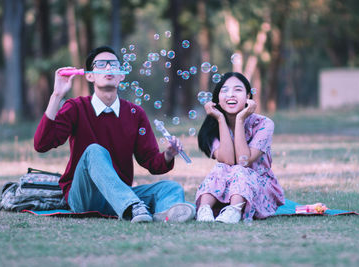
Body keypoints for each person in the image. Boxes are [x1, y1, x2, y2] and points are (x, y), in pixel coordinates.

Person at [34, 45, 195, 223]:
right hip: (84, 197)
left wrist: (168, 154)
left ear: (121, 75)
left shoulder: (135, 113)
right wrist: (57, 94)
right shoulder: (76, 107)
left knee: (170, 188)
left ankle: (166, 215)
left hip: (118, 197)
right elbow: (42, 144)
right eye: (101, 64)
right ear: (89, 75)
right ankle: (134, 207)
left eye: (113, 64)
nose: (109, 68)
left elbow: (151, 162)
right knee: (94, 151)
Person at [195, 72, 284, 223]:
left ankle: (234, 211)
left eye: (237, 90)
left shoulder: (264, 124)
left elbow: (244, 161)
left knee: (240, 169)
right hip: (227, 187)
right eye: (225, 90)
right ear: (217, 99)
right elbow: (229, 160)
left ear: (248, 96)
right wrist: (221, 119)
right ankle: (204, 211)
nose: (231, 95)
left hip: (260, 187)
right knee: (220, 168)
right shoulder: (212, 128)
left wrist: (240, 119)